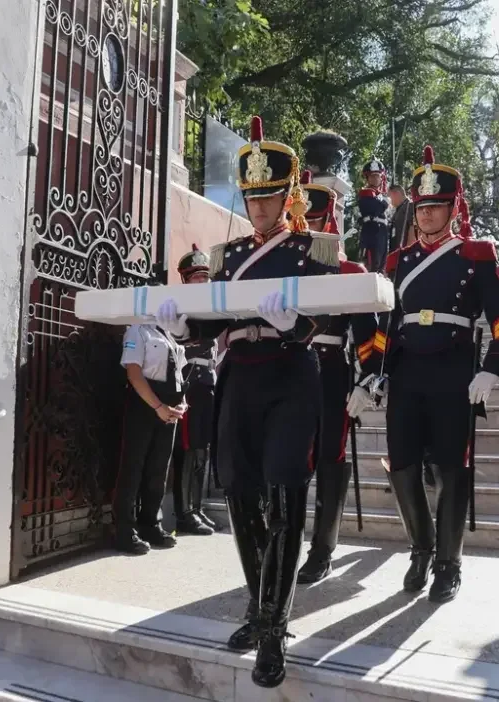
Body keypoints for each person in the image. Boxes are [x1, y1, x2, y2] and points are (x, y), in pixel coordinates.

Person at [155, 116, 339, 688]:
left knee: (284, 494)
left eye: (269, 198)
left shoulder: (316, 247)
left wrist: (297, 321)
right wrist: (183, 327)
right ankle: (262, 603)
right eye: (252, 197)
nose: (258, 208)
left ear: (289, 197)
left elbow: (330, 311)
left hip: (289, 373)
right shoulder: (227, 253)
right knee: (238, 494)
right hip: (241, 376)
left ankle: (271, 625)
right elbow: (213, 325)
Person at [353, 145, 499, 603]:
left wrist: (492, 371)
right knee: (402, 465)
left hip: (453, 370)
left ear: (452, 209)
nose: (426, 216)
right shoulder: (397, 262)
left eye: (436, 207)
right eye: (422, 208)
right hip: (408, 372)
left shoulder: (477, 254)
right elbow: (387, 327)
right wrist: (375, 372)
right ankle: (421, 549)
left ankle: (449, 562)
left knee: (452, 466)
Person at [294, 170, 386, 584]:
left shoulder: (348, 270)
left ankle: (322, 548)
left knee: (331, 457)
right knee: (288, 459)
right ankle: (284, 541)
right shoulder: (282, 265)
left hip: (330, 370)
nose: (308, 229)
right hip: (285, 367)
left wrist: (368, 380)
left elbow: (370, 334)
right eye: (303, 222)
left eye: (315, 222)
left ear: (329, 222)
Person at [114, 293, 188, 555]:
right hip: (145, 403)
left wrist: (182, 404)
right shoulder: (138, 331)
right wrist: (157, 406)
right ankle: (124, 530)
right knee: (133, 467)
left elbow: (179, 374)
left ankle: (150, 524)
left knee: (159, 468)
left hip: (170, 407)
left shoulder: (170, 334)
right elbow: (134, 373)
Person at [171, 245, 219, 536]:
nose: (202, 283)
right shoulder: (178, 307)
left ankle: (197, 507)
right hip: (187, 382)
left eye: (205, 278)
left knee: (202, 448)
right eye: (196, 278)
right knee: (187, 450)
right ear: (186, 280)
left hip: (206, 384)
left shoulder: (213, 308)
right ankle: (184, 513)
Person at [357, 157, 391, 272]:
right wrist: (382, 203)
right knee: (371, 264)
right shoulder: (365, 193)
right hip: (371, 230)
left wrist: (381, 202)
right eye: (372, 176)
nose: (375, 178)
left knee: (382, 262)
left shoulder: (381, 195)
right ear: (367, 178)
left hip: (383, 232)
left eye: (378, 176)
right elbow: (376, 208)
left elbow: (382, 206)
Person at [388, 183, 413, 252]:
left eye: (390, 196)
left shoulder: (410, 206)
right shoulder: (397, 210)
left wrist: (409, 250)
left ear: (397, 194)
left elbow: (413, 228)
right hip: (396, 252)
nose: (389, 200)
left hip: (406, 252)